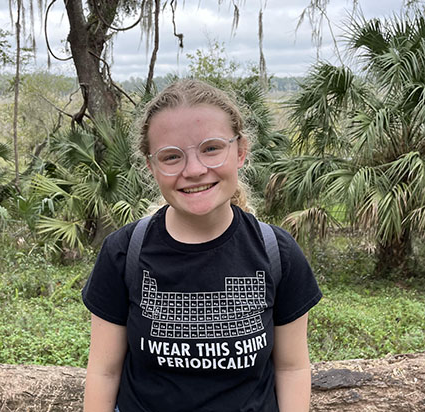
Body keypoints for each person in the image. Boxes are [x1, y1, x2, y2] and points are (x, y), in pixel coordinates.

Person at [82, 79, 322, 412]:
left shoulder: (276, 252)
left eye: (211, 148)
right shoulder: (124, 253)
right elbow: (104, 372)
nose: (194, 170)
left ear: (240, 152)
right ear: (151, 167)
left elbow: (292, 367)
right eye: (171, 156)